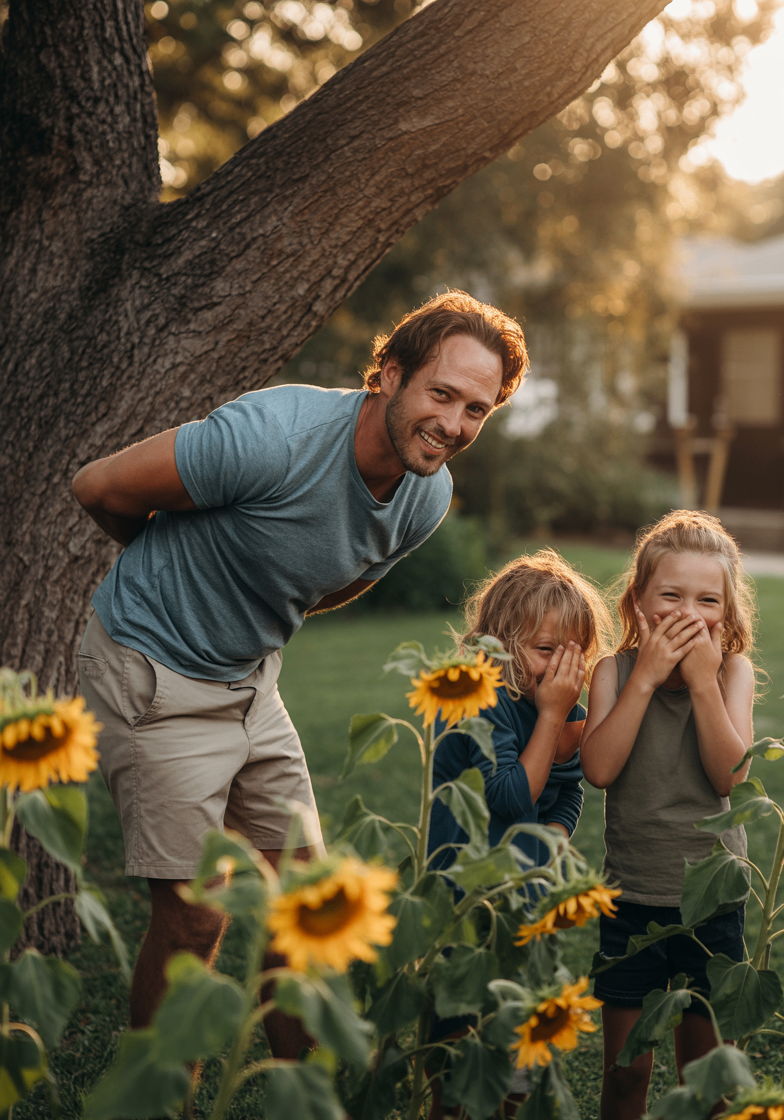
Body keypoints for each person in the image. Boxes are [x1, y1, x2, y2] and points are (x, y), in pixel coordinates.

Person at [72, 290, 528, 1060]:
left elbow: (345, 575)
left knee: (311, 905)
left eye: (476, 410)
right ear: (388, 374)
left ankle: (295, 1088)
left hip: (250, 682)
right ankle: (153, 1099)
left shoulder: (428, 496)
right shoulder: (270, 438)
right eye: (441, 393)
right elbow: (100, 488)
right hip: (151, 666)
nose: (453, 425)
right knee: (197, 914)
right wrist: (164, 574)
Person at [579, 510, 756, 1120]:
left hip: (713, 904)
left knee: (706, 1080)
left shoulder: (732, 672)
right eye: (671, 594)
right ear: (638, 601)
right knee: (627, 1072)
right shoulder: (615, 672)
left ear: (727, 613)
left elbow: (730, 777)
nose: (689, 611)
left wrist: (703, 686)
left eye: (708, 599)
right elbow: (599, 768)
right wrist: (647, 680)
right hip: (632, 899)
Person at [426, 549, 613, 1119]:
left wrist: (552, 839)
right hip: (463, 902)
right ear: (499, 644)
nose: (561, 669)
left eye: (574, 655)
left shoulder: (556, 705)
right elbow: (509, 795)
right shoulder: (474, 699)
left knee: (514, 1068)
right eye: (545, 651)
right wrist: (554, 716)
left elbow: (571, 789)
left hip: (521, 906)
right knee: (457, 1066)